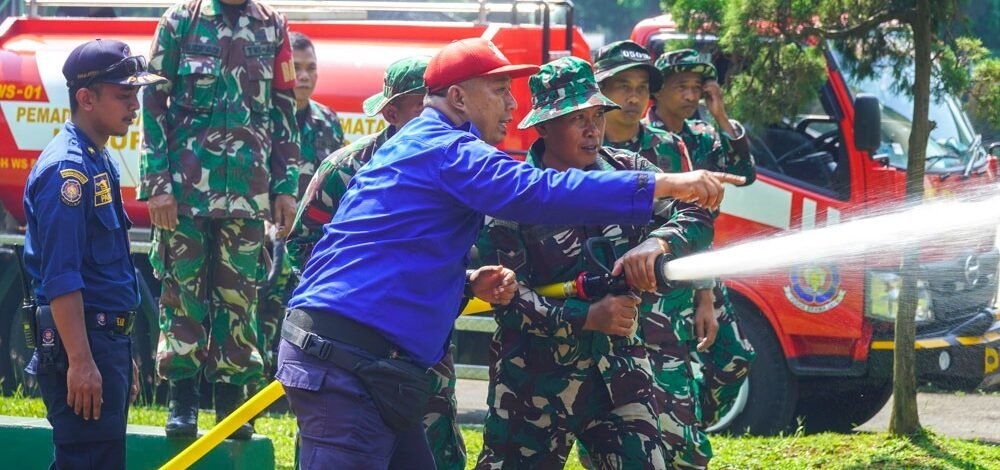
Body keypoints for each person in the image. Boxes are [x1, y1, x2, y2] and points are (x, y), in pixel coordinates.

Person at [276, 37, 742, 468]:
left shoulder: (426, 147)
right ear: (459, 98)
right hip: (349, 362)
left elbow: (397, 250)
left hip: (378, 364)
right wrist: (666, 182)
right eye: (500, 90)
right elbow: (535, 192)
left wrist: (465, 283)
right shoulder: (446, 148)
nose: (514, 104)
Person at [475, 55, 720, 469]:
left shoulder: (629, 172)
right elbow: (505, 300)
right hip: (534, 384)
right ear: (544, 126)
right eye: (577, 118)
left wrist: (658, 243)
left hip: (620, 374)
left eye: (598, 115)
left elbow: (696, 214)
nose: (593, 130)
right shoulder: (512, 195)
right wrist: (587, 317)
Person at [285, 55, 470, 470]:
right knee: (340, 443)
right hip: (349, 343)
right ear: (390, 112)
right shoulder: (345, 169)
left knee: (432, 437)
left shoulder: (455, 161)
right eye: (423, 104)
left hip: (421, 341)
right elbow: (302, 246)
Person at [140, 0, 300, 439]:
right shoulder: (179, 21)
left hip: (249, 193)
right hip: (186, 191)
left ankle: (231, 407)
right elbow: (152, 102)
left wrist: (286, 187)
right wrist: (157, 184)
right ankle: (183, 399)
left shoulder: (272, 27)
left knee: (240, 299)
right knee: (181, 293)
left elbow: (285, 109)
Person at [23, 39, 165, 469]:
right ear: (86, 98)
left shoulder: (96, 158)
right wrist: (83, 362)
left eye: (136, 95)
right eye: (124, 95)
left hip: (104, 342)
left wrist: (123, 351)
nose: (135, 106)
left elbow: (111, 273)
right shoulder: (67, 172)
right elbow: (62, 277)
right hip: (82, 344)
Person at [646, 48, 758, 469]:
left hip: (703, 262)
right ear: (659, 92)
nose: (691, 95)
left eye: (698, 88)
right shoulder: (643, 137)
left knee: (734, 360)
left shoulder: (704, 136)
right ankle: (674, 432)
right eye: (682, 87)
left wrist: (721, 113)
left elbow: (745, 174)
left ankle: (688, 421)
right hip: (658, 269)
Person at [257, 30, 344, 378]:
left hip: (312, 249)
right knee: (258, 322)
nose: (305, 75)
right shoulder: (263, 118)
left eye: (312, 67)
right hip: (266, 243)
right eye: (297, 67)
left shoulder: (328, 121)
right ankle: (249, 400)